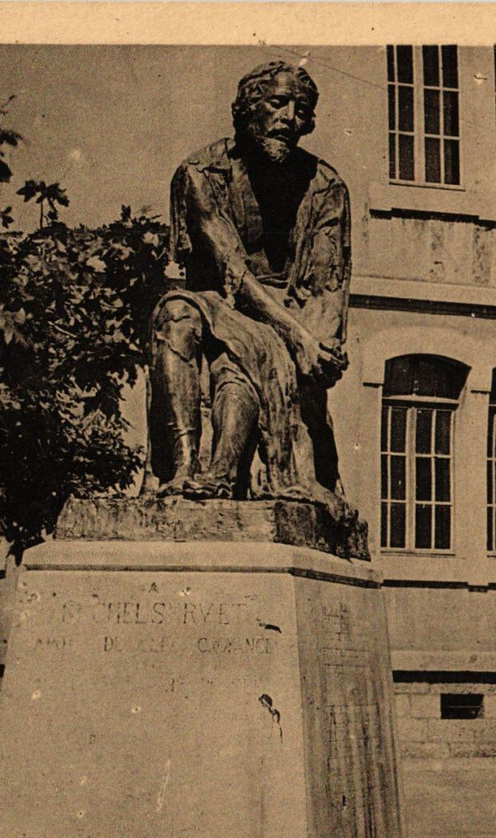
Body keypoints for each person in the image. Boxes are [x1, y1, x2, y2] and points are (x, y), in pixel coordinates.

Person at [144, 60, 352, 508]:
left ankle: (221, 473)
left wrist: (321, 343)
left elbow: (328, 283)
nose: (288, 118)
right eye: (277, 103)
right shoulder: (201, 173)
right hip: (216, 299)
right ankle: (181, 470)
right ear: (248, 108)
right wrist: (295, 336)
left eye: (300, 109)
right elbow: (230, 269)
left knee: (240, 360)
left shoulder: (326, 186)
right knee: (175, 317)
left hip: (289, 311)